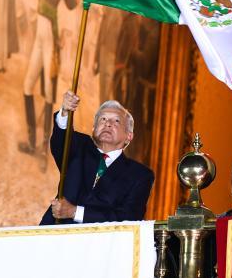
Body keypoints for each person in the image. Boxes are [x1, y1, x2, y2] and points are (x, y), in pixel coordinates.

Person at [39, 90, 154, 225]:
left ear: (129, 136)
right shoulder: (79, 147)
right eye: (103, 119)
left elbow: (129, 218)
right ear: (93, 129)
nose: (108, 123)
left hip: (104, 238)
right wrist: (65, 112)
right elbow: (62, 140)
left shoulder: (140, 175)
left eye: (116, 121)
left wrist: (75, 212)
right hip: (56, 232)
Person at [18, 0, 80, 170]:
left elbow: (72, 3)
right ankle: (33, 142)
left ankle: (44, 148)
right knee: (28, 86)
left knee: (46, 92)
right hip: (41, 33)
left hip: (49, 35)